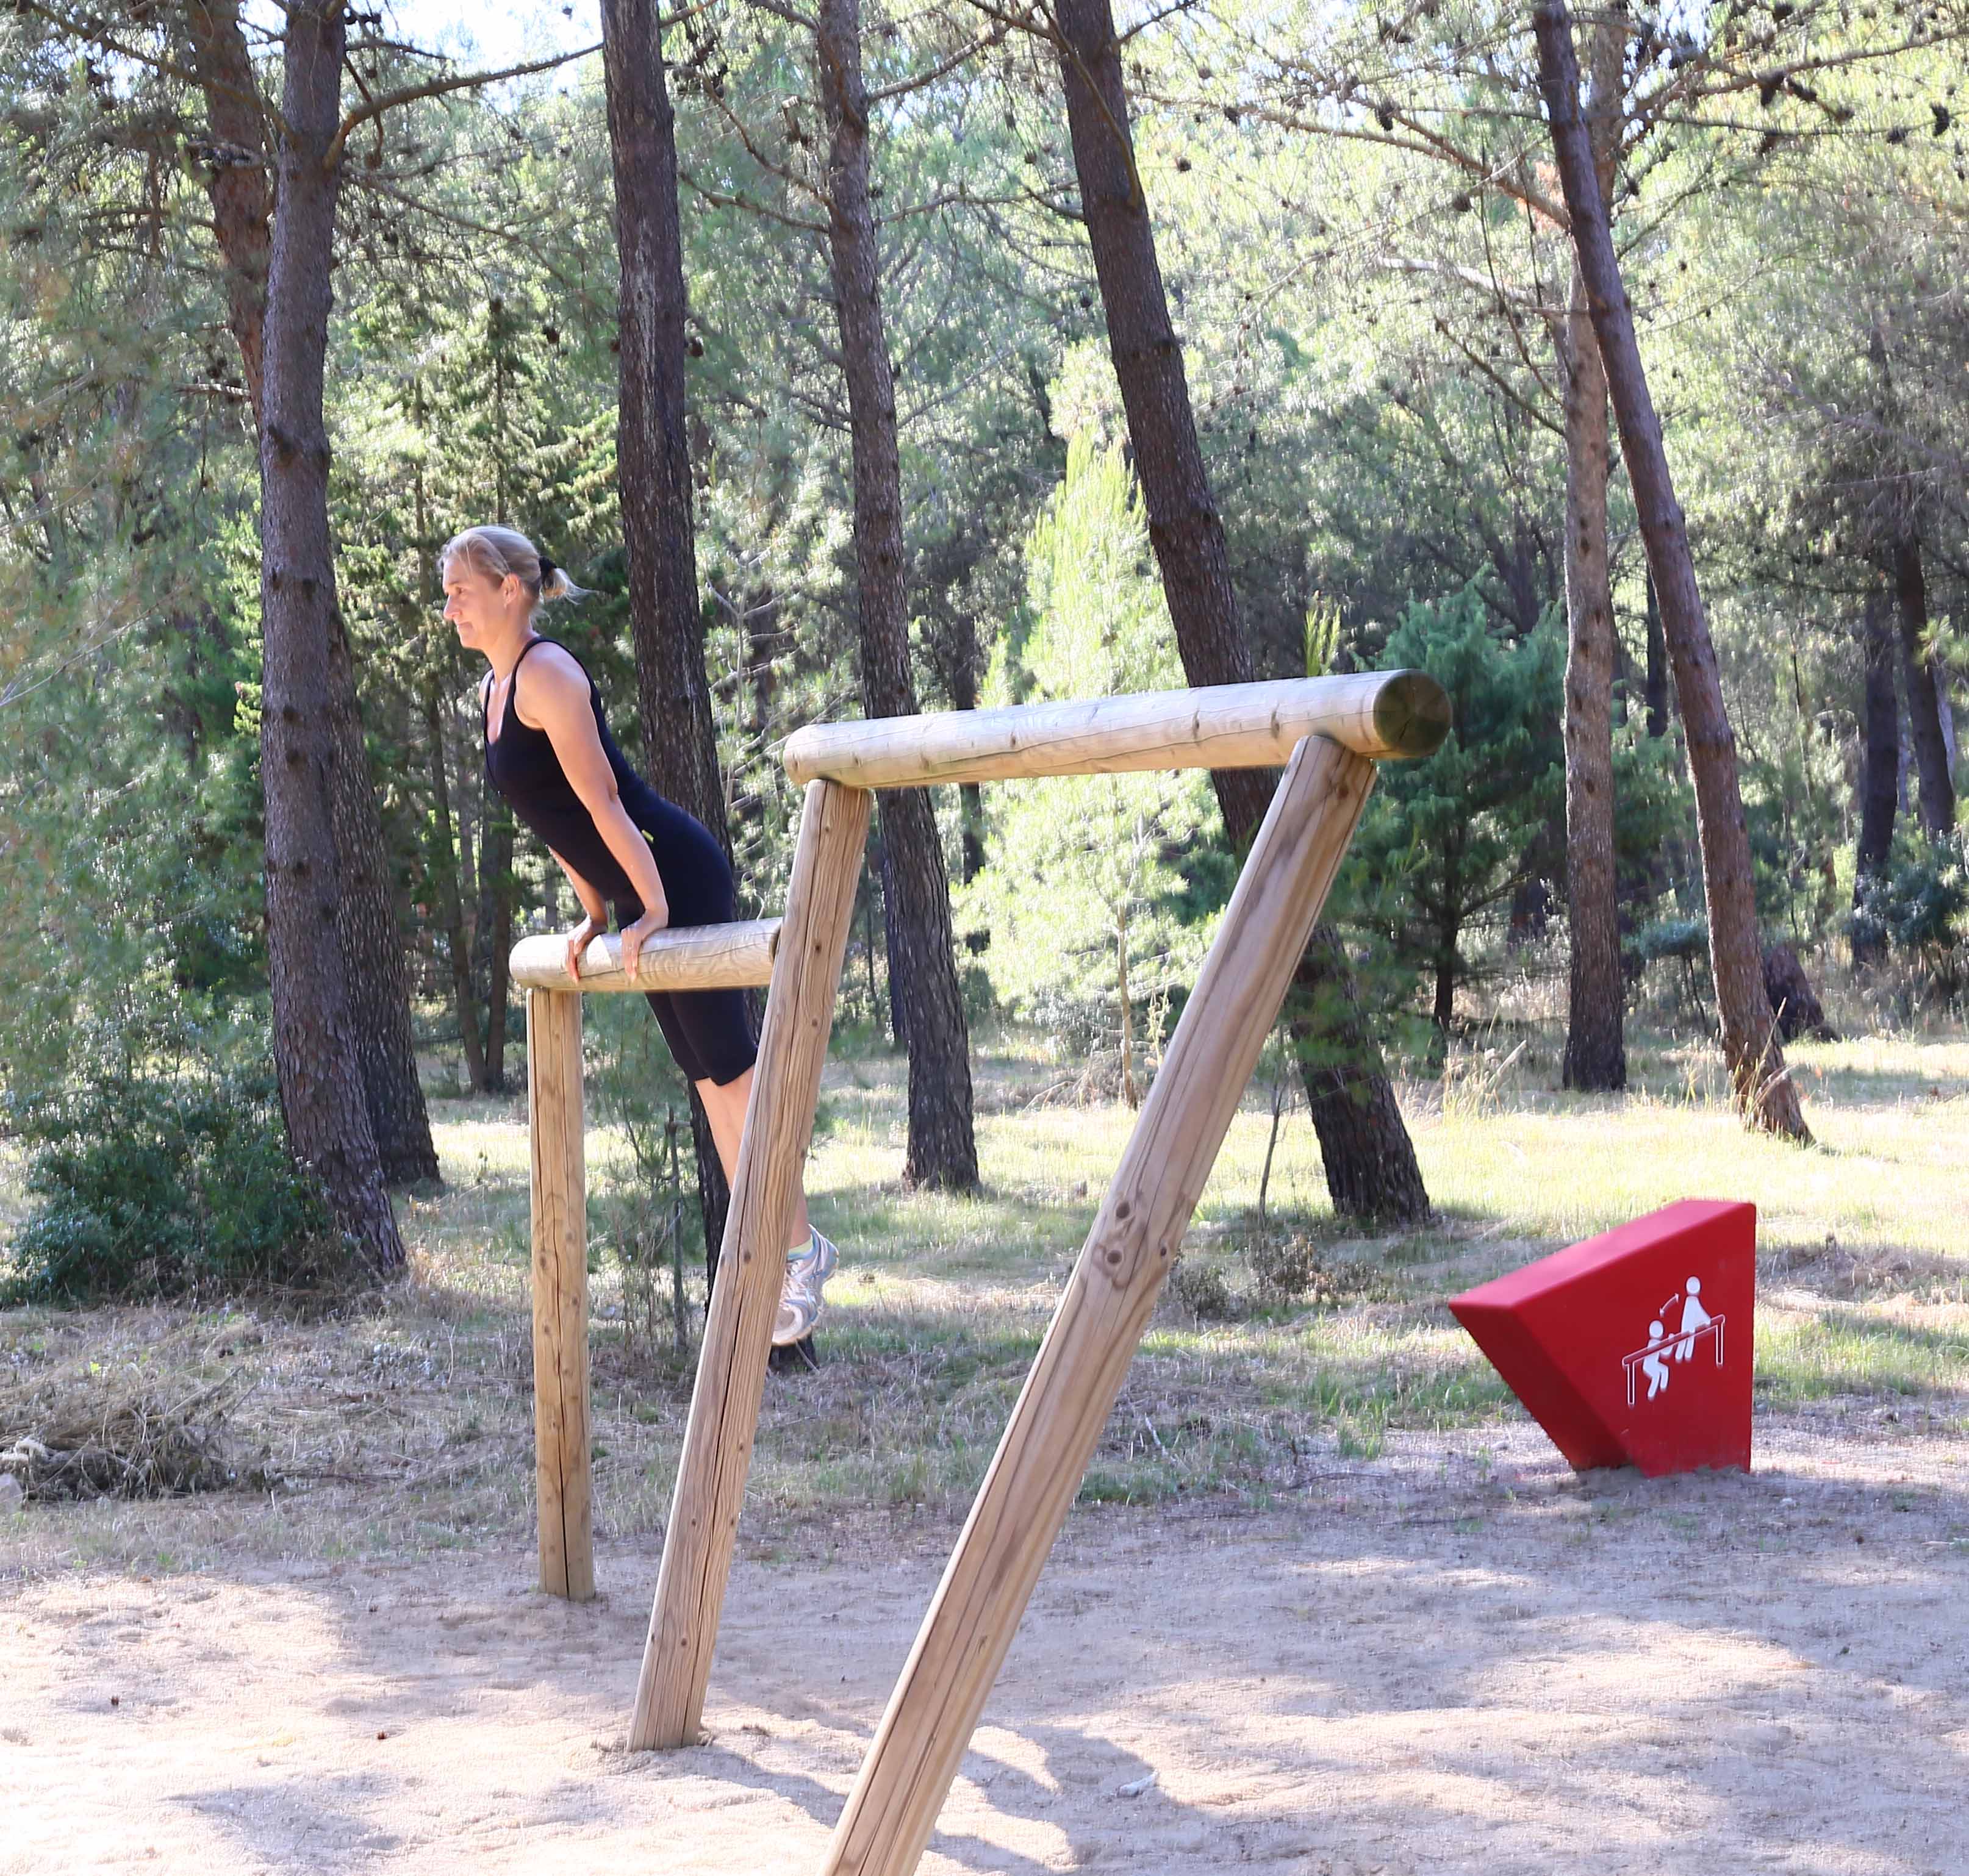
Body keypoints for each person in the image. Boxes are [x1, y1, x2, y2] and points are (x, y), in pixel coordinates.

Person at [442, 523, 837, 1347]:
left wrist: (650, 904)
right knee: (709, 1080)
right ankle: (769, 1254)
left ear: (511, 591)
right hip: (638, 888)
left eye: (462, 594)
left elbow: (605, 803)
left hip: (674, 871)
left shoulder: (549, 674)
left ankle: (802, 1252)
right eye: (448, 597)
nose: (451, 611)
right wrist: (595, 911)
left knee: (733, 1074)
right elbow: (554, 822)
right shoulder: (493, 695)